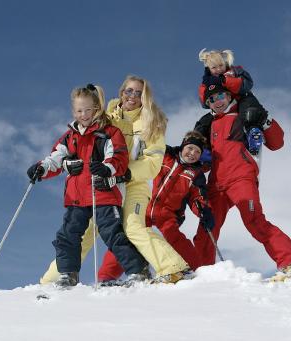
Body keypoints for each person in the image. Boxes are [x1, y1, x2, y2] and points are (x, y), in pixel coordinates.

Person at [40, 76, 189, 285]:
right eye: (129, 91)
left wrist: (126, 173)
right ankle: (51, 280)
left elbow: (153, 163)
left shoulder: (151, 123)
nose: (133, 96)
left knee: (132, 226)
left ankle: (173, 268)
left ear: (145, 97)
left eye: (138, 93)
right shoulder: (108, 115)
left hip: (132, 182)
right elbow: (85, 135)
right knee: (84, 233)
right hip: (104, 184)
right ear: (121, 92)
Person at [26, 84, 148, 287]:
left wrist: (106, 168)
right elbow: (56, 157)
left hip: (104, 192)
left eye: (88, 110)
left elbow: (119, 156)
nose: (84, 115)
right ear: (74, 112)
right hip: (77, 195)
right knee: (68, 234)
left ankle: (138, 270)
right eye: (79, 111)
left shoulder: (109, 132)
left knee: (111, 232)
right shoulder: (69, 136)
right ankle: (68, 274)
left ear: (96, 109)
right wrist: (42, 168)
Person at [193, 80, 291, 281]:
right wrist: (202, 159)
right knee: (206, 228)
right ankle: (201, 273)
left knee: (254, 220)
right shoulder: (207, 125)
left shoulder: (245, 115)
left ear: (230, 96)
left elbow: (277, 142)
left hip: (241, 177)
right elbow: (201, 162)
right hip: (216, 184)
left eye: (221, 96)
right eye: (211, 99)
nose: (217, 101)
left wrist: (264, 119)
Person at [97, 131, 214, 279]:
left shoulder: (196, 173)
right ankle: (106, 276)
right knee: (129, 236)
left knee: (175, 237)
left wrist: (203, 210)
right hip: (145, 204)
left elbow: (197, 197)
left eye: (197, 152)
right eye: (190, 148)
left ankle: (198, 271)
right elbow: (148, 161)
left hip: (168, 212)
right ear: (183, 145)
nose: (192, 153)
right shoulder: (166, 154)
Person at [198, 48, 265, 116]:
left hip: (242, 99)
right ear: (209, 69)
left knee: (247, 112)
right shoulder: (207, 82)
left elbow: (247, 84)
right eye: (214, 67)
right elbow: (204, 103)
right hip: (224, 106)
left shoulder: (235, 71)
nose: (218, 69)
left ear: (225, 63)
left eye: (221, 65)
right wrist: (208, 90)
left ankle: (253, 125)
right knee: (205, 120)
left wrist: (224, 80)